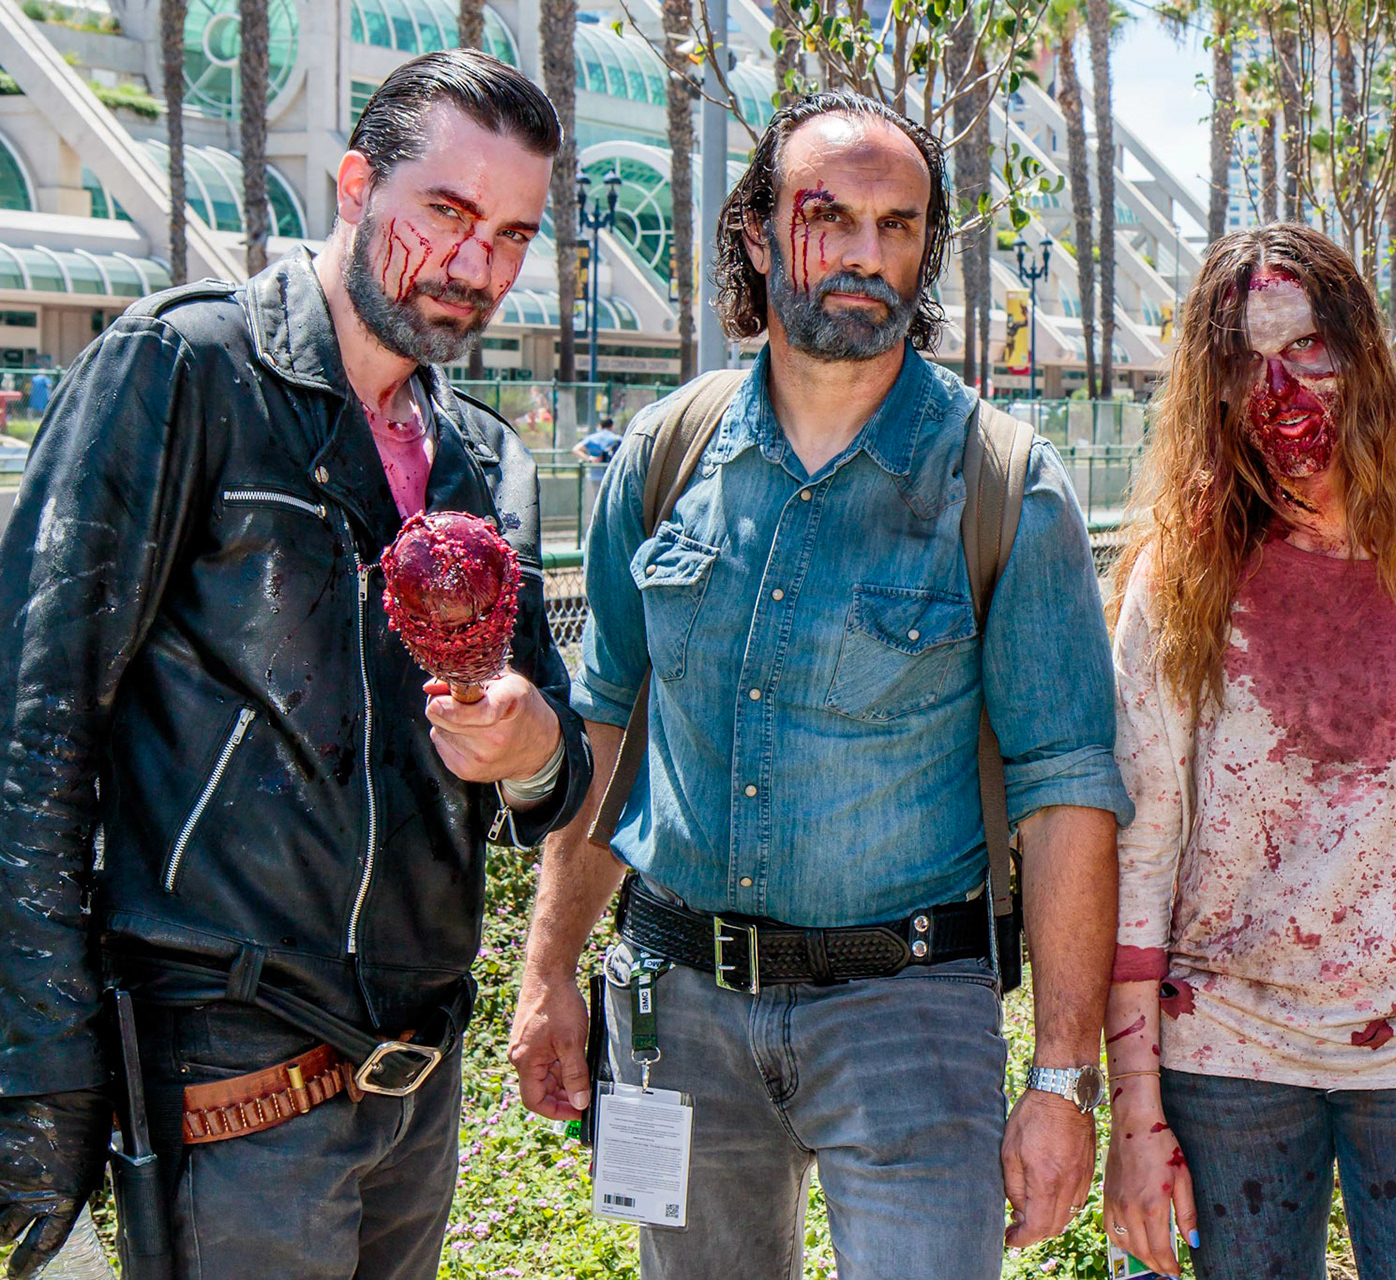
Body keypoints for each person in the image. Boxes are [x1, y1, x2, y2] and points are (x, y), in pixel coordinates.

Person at [507, 91, 1133, 1278]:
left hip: (908, 1014)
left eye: (898, 226)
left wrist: (1060, 1079)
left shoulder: (1003, 484)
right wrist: (546, 974)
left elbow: (1067, 795)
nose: (863, 254)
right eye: (827, 216)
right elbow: (604, 732)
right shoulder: (663, 455)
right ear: (752, 232)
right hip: (677, 1006)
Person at [0, 50, 591, 1280]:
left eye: (513, 235)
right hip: (229, 1082)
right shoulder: (186, 372)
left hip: (416, 1088)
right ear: (354, 185)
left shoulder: (483, 465)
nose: (475, 265)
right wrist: (42, 1066)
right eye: (446, 212)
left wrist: (533, 748)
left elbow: (554, 774)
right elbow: (31, 724)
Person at [1101, 224, 1396, 1280]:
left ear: (1364, 353)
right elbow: (1140, 852)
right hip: (1216, 1050)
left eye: (1308, 348)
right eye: (1244, 363)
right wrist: (1135, 1120)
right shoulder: (1183, 572)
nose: (1281, 393)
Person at [573, 412, 624, 482]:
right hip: (613, 476)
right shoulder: (617, 439)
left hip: (595, 476)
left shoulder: (592, 438)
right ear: (611, 426)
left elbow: (576, 450)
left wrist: (589, 459)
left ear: (600, 426)